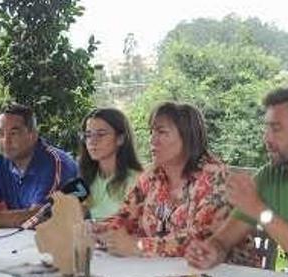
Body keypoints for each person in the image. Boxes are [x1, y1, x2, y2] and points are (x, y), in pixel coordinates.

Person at [185, 87, 288, 271]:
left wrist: (259, 210)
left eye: (276, 129)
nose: (266, 138)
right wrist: (211, 251)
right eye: (266, 128)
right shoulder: (269, 176)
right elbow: (224, 240)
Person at [98, 102, 233, 257]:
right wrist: (98, 230)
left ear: (187, 137)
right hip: (165, 274)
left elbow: (201, 241)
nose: (152, 140)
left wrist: (139, 246)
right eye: (151, 132)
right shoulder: (151, 176)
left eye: (161, 132)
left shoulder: (215, 178)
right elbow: (124, 220)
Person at [78, 108, 142, 219]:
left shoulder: (137, 181)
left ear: (120, 139)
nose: (92, 141)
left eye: (101, 134)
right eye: (88, 135)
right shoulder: (84, 180)